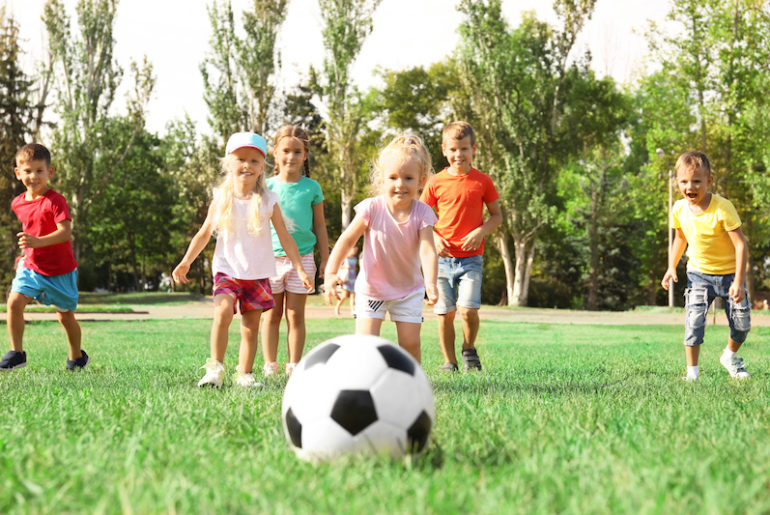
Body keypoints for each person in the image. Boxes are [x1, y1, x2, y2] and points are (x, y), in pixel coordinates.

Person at [172, 132, 312, 388]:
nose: (247, 165)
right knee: (223, 313)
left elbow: (286, 237)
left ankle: (244, 374)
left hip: (257, 273)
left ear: (262, 167)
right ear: (229, 163)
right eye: (240, 159)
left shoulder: (269, 200)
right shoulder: (222, 198)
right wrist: (186, 261)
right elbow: (204, 234)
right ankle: (215, 369)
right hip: (227, 270)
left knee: (250, 327)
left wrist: (300, 268)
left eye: (254, 161)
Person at [324, 135, 438, 362]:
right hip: (372, 290)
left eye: (408, 178)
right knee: (366, 345)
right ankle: (365, 383)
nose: (400, 184)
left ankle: (411, 384)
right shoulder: (372, 208)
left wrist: (431, 283)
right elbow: (346, 241)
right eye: (393, 177)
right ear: (383, 179)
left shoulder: (422, 213)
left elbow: (427, 250)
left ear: (421, 180)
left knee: (410, 344)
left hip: (408, 291)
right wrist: (330, 273)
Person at [661, 151, 751, 381]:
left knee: (741, 325)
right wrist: (671, 266)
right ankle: (692, 374)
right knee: (694, 321)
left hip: (730, 274)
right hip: (698, 274)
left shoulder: (723, 208)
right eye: (684, 181)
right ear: (677, 182)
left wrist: (739, 282)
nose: (690, 186)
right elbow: (680, 239)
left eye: (696, 181)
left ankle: (729, 357)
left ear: (709, 181)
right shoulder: (679, 209)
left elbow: (741, 245)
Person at [420, 121, 502, 373]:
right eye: (453, 149)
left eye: (464, 148)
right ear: (445, 150)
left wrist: (481, 231)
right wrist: (433, 238)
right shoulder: (436, 182)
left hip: (471, 259)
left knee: (468, 311)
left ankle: (468, 347)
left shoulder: (483, 181)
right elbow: (421, 216)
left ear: (474, 149)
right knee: (445, 313)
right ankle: (450, 362)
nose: (459, 155)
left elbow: (497, 216)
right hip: (441, 259)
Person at [1, 143, 88, 372]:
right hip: (31, 266)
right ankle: (17, 353)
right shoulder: (17, 203)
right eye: (28, 171)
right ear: (18, 173)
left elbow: (66, 231)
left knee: (65, 317)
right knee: (14, 303)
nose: (33, 176)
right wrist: (23, 255)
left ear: (50, 172)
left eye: (39, 171)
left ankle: (76, 357)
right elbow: (29, 229)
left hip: (61, 270)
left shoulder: (55, 201)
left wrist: (38, 242)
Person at [260, 126, 329, 377]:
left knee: (295, 315)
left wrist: (326, 260)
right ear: (275, 152)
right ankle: (270, 366)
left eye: (297, 151)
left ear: (305, 155)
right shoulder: (265, 186)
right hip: (270, 260)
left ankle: (295, 366)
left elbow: (320, 226)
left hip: (304, 260)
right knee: (272, 315)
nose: (291, 156)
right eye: (286, 150)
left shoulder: (312, 188)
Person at [334, 245, 358, 317]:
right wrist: (345, 267)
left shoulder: (354, 258)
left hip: (353, 278)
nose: (355, 251)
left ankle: (353, 311)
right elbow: (338, 266)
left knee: (353, 296)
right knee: (344, 296)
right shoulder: (345, 258)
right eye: (353, 249)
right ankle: (337, 308)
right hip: (346, 279)